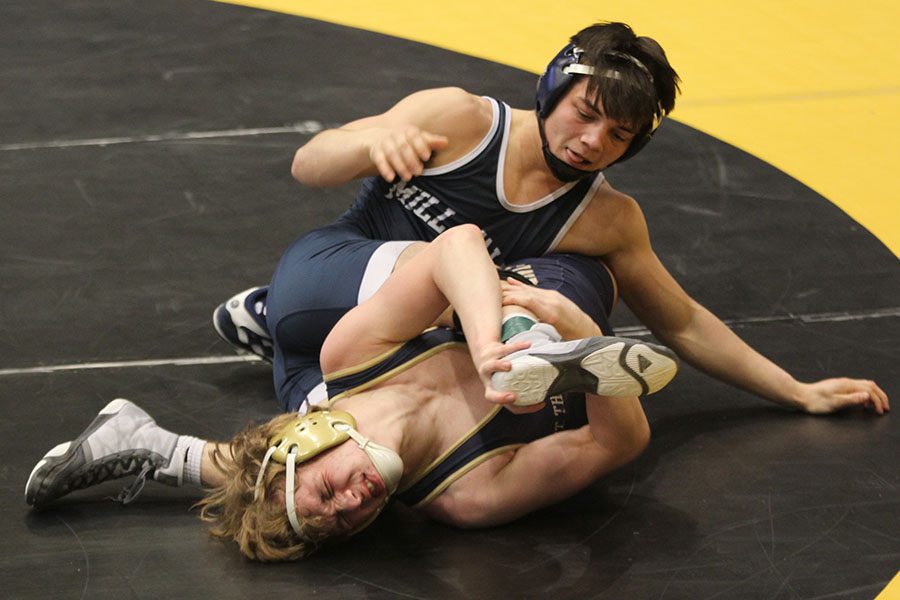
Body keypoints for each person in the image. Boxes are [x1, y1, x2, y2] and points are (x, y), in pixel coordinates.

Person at [216, 21, 889, 416]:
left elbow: (681, 320)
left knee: (533, 304)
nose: (594, 141)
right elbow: (309, 160)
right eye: (584, 113)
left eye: (619, 135)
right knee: (467, 265)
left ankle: (291, 349)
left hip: (369, 350)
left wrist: (796, 391)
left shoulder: (608, 218)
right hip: (334, 273)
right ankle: (285, 314)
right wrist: (367, 143)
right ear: (550, 92)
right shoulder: (460, 120)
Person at [26, 225, 680, 561]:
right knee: (539, 307)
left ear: (305, 444)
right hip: (574, 288)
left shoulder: (351, 360)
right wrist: (579, 329)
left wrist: (485, 342)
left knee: (319, 317)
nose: (352, 504)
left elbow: (456, 245)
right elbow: (623, 439)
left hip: (326, 295)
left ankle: (262, 319)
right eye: (341, 524)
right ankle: (151, 442)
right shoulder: (469, 495)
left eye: (327, 494)